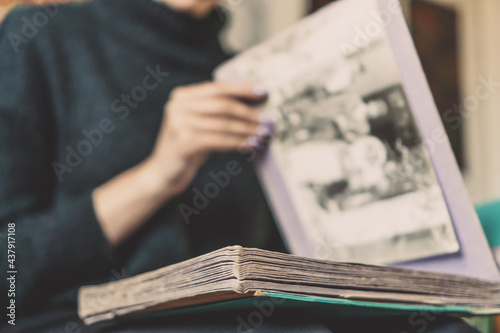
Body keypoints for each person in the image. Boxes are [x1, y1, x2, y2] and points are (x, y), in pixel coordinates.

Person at [0, 0, 480, 332]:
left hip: (247, 312)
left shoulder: (254, 77)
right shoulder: (39, 40)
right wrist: (158, 176)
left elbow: (279, 260)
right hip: (83, 317)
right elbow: (10, 269)